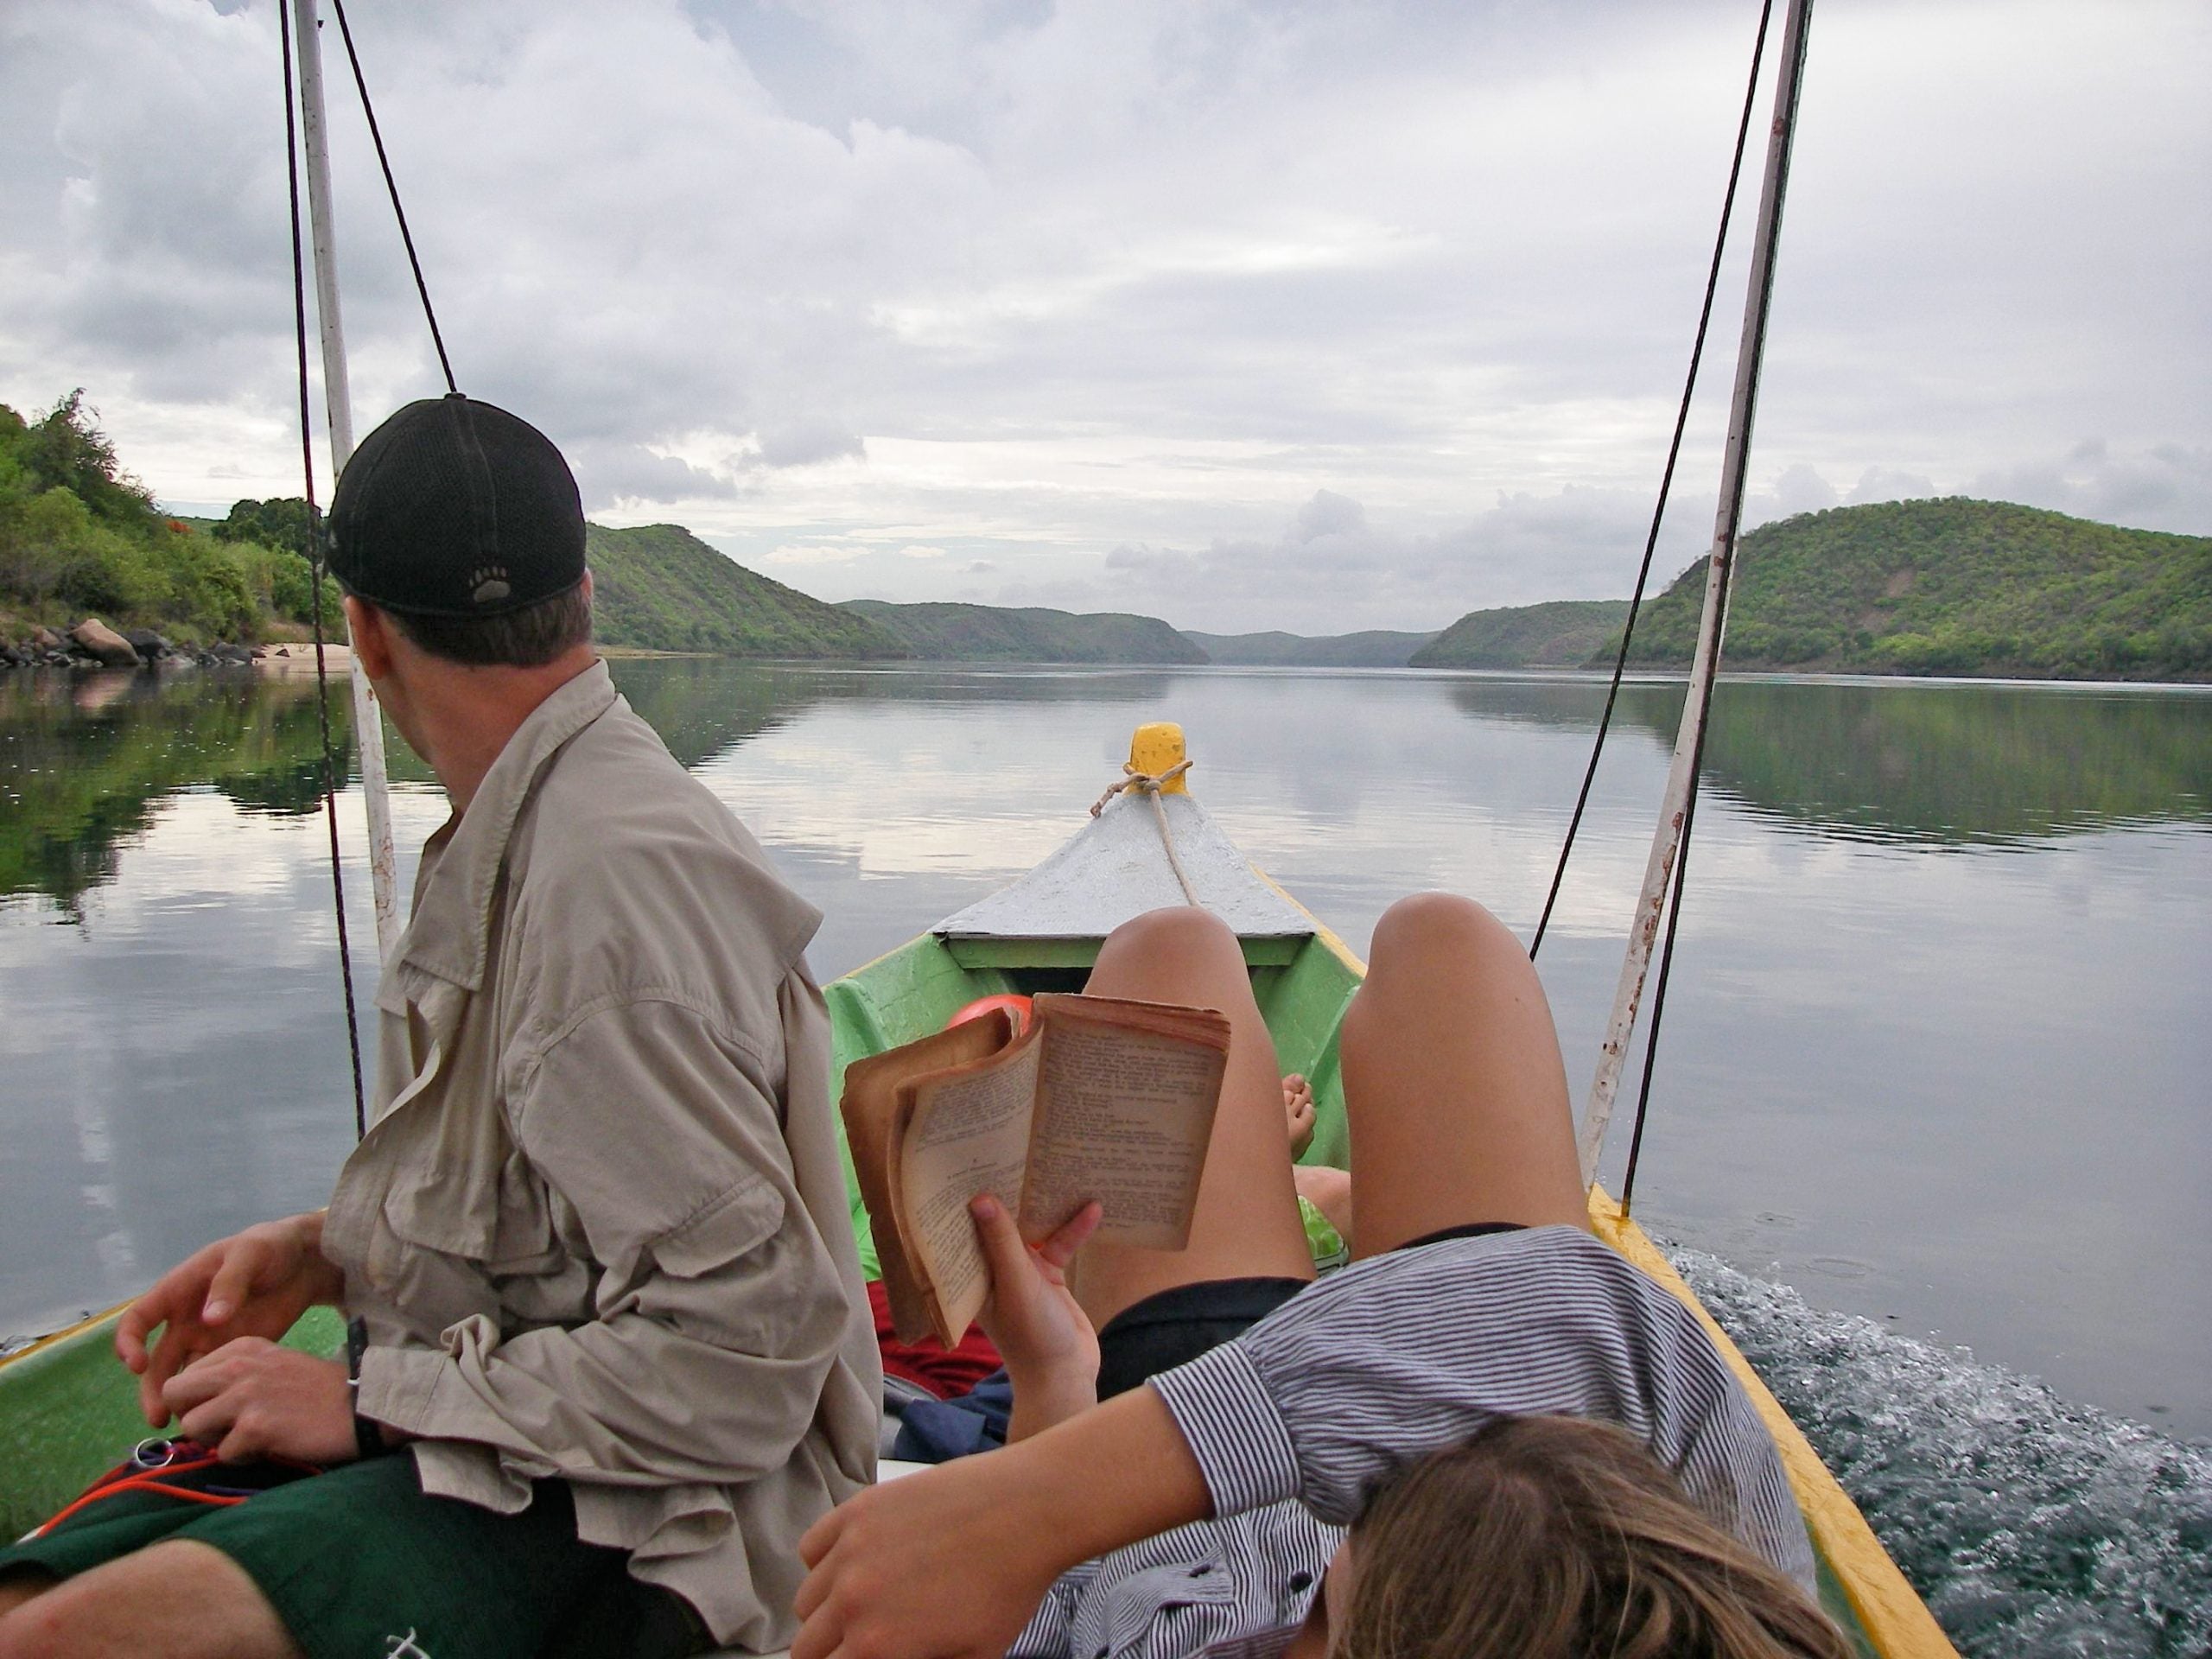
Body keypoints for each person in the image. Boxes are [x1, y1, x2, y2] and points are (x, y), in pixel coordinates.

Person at [0, 394, 880, 1659]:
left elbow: (747, 1357)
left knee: (74, 1639)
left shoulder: (603, 902)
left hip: (682, 1534)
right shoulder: (552, 818)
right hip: (547, 1453)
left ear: (362, 632)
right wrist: (332, 1255)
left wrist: (366, 1401)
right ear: (581, 595)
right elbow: (572, 1213)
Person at [794, 896, 1847, 1659]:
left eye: (1317, 1616)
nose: (1347, 1509)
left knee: (1169, 952)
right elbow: (1575, 1305)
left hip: (1184, 1413)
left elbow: (1037, 1613)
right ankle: (1299, 1179)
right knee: (1447, 943)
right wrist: (1038, 1505)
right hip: (1538, 1432)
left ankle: (1290, 1173)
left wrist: (1057, 1401)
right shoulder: (1724, 1603)